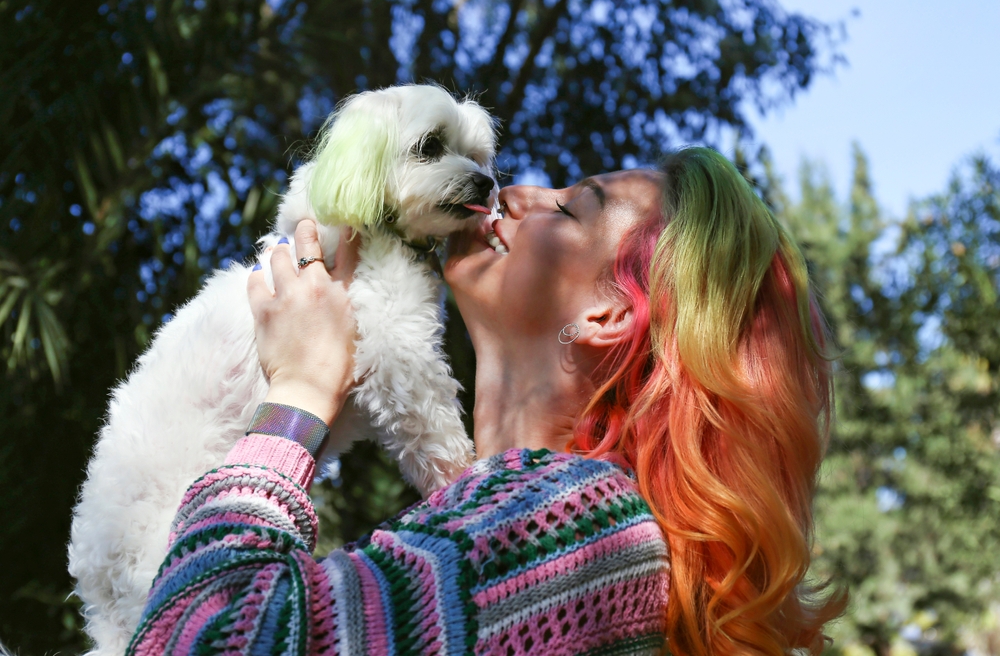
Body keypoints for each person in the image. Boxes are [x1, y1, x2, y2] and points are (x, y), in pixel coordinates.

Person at [125, 147, 843, 656]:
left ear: (609, 317)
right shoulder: (533, 522)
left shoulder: (580, 530)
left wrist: (299, 395)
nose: (516, 193)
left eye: (567, 206)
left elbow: (202, 639)